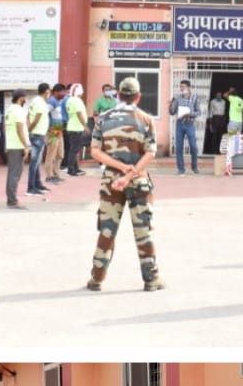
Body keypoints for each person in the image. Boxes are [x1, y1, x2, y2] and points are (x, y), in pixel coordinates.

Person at [86, 76, 164, 292]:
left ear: (118, 95)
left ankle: (97, 278)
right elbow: (151, 152)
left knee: (107, 230)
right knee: (143, 230)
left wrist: (119, 169)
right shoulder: (146, 118)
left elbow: (95, 151)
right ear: (138, 97)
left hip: (111, 182)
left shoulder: (103, 118)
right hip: (138, 180)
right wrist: (130, 173)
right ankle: (151, 279)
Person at [3, 90, 29, 209]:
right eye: (24, 98)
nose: (25, 100)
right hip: (17, 145)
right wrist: (26, 146)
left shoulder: (9, 109)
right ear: (21, 98)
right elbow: (20, 130)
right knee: (15, 174)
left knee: (12, 174)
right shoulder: (18, 111)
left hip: (11, 144)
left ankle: (11, 199)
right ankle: (12, 201)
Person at [169, 79, 201, 175]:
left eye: (183, 86)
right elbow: (172, 112)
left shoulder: (195, 98)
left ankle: (194, 166)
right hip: (179, 124)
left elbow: (199, 112)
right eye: (180, 87)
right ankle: (181, 169)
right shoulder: (178, 98)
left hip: (189, 124)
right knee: (179, 147)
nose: (181, 88)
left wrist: (189, 113)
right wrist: (170, 105)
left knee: (193, 147)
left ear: (188, 87)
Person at [24, 83, 51, 197]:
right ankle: (31, 188)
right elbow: (36, 119)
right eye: (49, 91)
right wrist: (30, 129)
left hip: (38, 133)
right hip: (37, 134)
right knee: (34, 162)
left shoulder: (35, 101)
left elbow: (28, 116)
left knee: (37, 161)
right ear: (46, 91)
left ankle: (37, 184)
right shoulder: (40, 103)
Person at [43, 83, 67, 183]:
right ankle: (49, 175)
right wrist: (48, 130)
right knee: (51, 154)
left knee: (60, 154)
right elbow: (44, 115)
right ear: (56, 92)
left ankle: (56, 173)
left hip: (59, 130)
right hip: (52, 131)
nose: (64, 93)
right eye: (62, 91)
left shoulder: (58, 102)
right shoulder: (51, 102)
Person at [64, 85, 88, 176]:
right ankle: (71, 170)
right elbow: (79, 113)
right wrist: (85, 126)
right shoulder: (77, 101)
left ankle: (75, 168)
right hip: (77, 127)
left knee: (74, 149)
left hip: (71, 126)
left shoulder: (69, 100)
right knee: (74, 150)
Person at [208, 88, 228, 154]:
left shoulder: (224, 102)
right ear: (215, 96)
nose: (219, 96)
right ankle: (214, 150)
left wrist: (224, 119)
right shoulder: (212, 101)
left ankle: (221, 150)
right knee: (214, 135)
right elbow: (210, 112)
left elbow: (224, 111)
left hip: (222, 118)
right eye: (218, 95)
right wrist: (210, 123)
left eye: (220, 95)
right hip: (215, 118)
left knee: (221, 135)